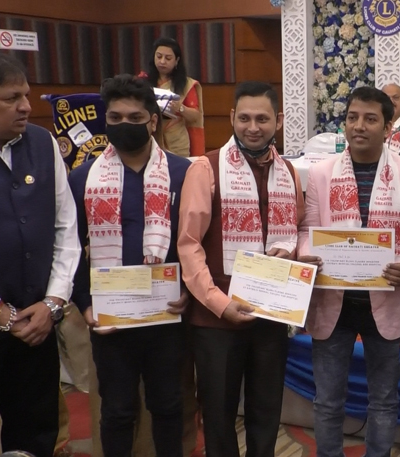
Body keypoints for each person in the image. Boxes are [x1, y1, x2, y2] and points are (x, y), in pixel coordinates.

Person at [0, 49, 81, 457]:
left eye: (25, 95)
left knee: (35, 438)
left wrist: (54, 302)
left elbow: (66, 229)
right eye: (11, 98)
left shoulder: (43, 143)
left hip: (37, 328)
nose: (26, 106)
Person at [296, 86, 400, 457]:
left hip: (387, 301)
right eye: (352, 118)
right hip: (332, 303)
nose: (359, 126)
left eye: (370, 119)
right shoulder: (321, 173)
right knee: (327, 400)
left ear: (388, 127)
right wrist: (308, 255)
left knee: (384, 400)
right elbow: (307, 232)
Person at [178, 81, 303, 457]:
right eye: (244, 118)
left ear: (278, 121)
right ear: (232, 117)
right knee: (218, 416)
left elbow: (296, 229)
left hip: (271, 313)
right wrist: (219, 303)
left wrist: (293, 253)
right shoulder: (206, 167)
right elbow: (188, 244)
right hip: (217, 318)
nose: (253, 127)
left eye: (262, 119)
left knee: (267, 412)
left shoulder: (289, 171)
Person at [69, 74, 192, 457]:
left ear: (153, 121)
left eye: (135, 118)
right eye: (116, 117)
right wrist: (84, 303)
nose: (125, 125)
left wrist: (189, 290)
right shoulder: (83, 178)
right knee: (117, 411)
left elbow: (197, 243)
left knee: (168, 406)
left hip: (167, 314)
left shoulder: (183, 173)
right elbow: (68, 248)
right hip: (111, 318)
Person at [144, 37, 205, 157]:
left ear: (176, 60)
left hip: (176, 141)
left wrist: (181, 108)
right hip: (150, 139)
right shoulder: (143, 81)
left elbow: (196, 117)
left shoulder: (186, 84)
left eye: (168, 58)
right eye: (159, 56)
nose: (162, 61)